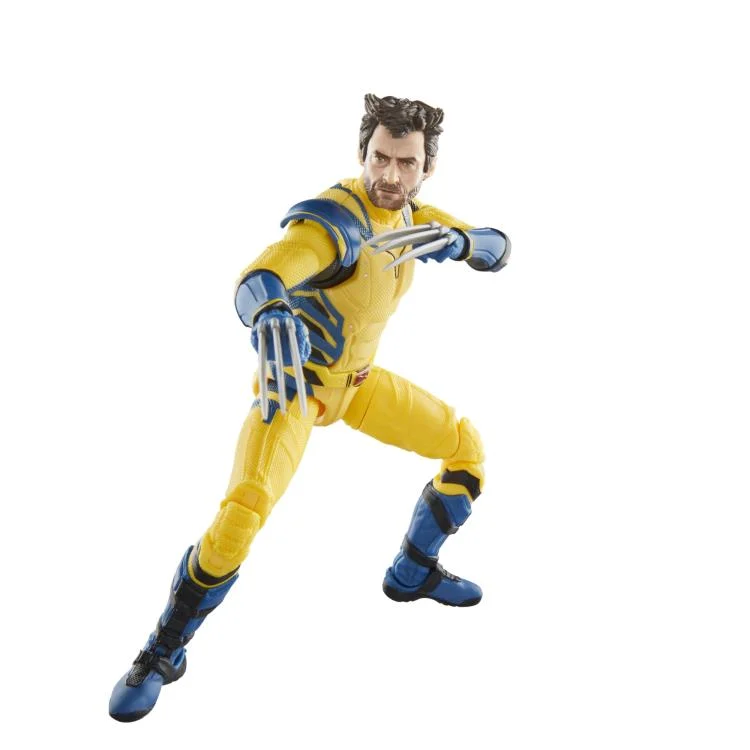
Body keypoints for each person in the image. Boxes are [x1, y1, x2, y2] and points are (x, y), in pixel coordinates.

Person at [109, 93, 510, 722]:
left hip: (361, 385)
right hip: (297, 386)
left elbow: (499, 249)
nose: (390, 174)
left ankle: (413, 571)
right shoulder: (334, 225)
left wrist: (464, 240)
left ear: (426, 167)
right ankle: (162, 650)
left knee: (467, 449)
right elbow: (260, 278)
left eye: (406, 162)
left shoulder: (414, 215)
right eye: (380, 158)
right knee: (242, 514)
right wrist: (270, 309)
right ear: (362, 153)